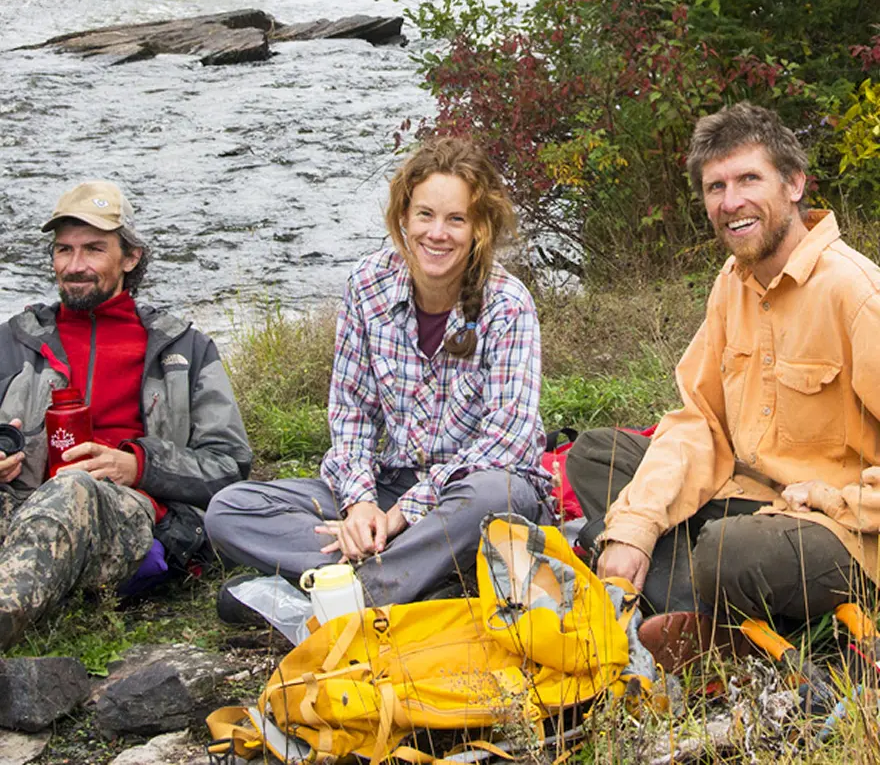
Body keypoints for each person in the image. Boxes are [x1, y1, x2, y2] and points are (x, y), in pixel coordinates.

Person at [567, 103, 880, 631]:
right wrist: (638, 524)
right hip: (748, 497)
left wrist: (837, 501)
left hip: (838, 529)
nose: (731, 202)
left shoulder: (855, 293)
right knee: (596, 456)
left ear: (795, 183)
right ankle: (687, 593)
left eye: (749, 179)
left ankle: (676, 593)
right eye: (716, 187)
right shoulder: (732, 283)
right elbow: (700, 423)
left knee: (731, 554)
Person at [206, 137, 554, 607]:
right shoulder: (367, 286)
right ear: (404, 219)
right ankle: (411, 575)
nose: (438, 233)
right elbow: (351, 413)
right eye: (425, 215)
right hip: (389, 484)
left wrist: (403, 516)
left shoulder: (509, 306)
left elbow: (504, 442)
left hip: (469, 492)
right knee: (230, 509)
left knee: (494, 499)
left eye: (456, 219)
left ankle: (357, 589)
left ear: (479, 229)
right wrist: (361, 504)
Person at [0, 180, 252, 650]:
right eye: (64, 250)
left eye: (94, 249)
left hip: (125, 516)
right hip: (20, 505)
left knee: (73, 488)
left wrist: (140, 465)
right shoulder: (13, 341)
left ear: (130, 257)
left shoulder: (183, 349)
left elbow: (230, 466)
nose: (75, 266)